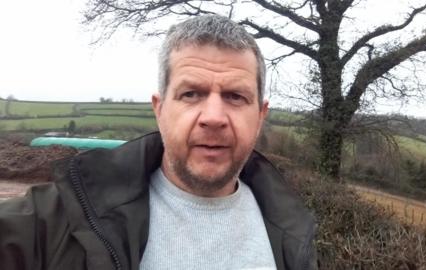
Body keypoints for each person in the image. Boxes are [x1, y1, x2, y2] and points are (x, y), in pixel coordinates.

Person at [0, 15, 317, 270]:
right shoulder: (57, 219)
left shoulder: (292, 232)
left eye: (236, 96)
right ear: (160, 109)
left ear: (260, 115)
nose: (213, 117)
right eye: (191, 94)